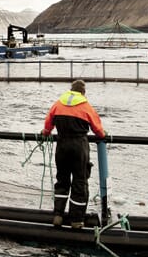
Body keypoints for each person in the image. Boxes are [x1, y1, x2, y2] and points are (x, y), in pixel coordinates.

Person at [42, 80, 105, 229]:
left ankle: (58, 215)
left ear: (70, 90)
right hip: (79, 147)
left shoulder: (58, 104)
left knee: (62, 180)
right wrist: (102, 135)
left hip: (62, 145)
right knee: (79, 181)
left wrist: (45, 133)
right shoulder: (85, 106)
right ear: (83, 92)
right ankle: (76, 220)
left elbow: (48, 123)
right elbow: (98, 130)